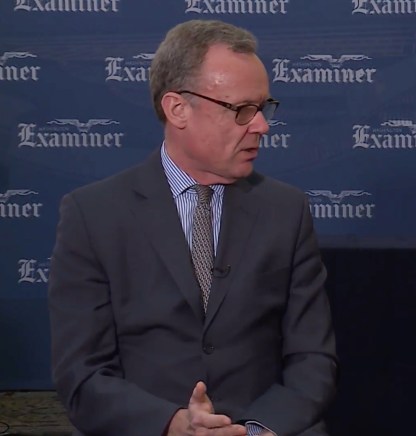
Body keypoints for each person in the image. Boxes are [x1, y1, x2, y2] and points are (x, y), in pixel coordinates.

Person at [47, 19, 337, 436]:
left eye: (264, 108)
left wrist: (256, 430)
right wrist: (172, 424)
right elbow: (83, 374)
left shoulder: (285, 210)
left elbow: (313, 358)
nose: (261, 126)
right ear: (178, 109)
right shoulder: (93, 215)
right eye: (242, 110)